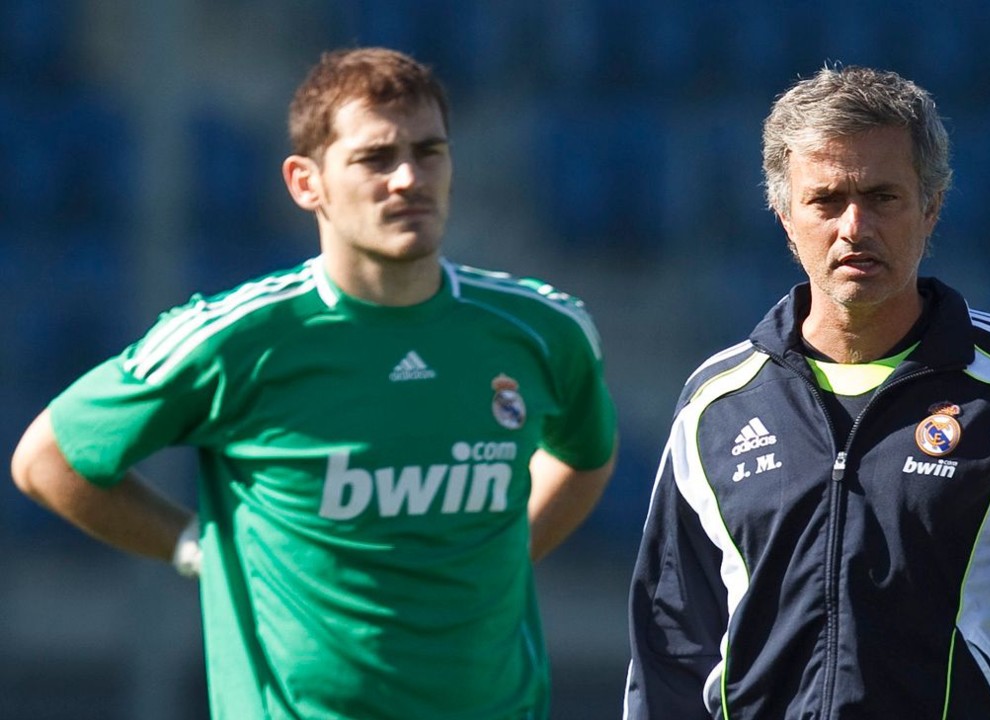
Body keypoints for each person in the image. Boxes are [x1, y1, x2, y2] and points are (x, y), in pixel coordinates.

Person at [10, 47, 618, 720]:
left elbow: (585, 455)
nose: (408, 178)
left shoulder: (542, 330)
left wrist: (508, 551)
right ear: (307, 183)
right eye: (375, 158)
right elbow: (48, 460)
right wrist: (193, 547)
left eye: (430, 152)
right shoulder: (237, 339)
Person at [624, 65, 990, 719]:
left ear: (931, 207)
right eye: (827, 200)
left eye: (883, 197)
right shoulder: (718, 403)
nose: (854, 226)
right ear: (786, 216)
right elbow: (668, 649)